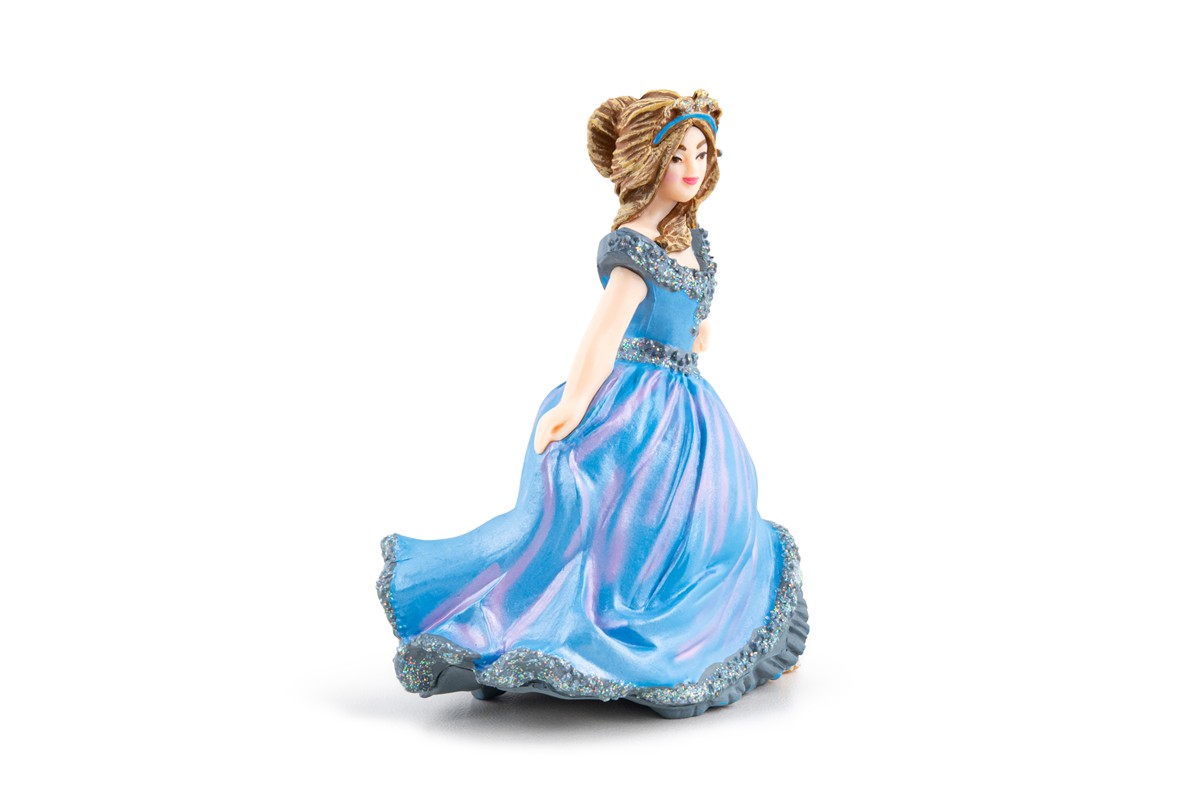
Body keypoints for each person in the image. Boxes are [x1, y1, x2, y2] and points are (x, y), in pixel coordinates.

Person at [377, 89, 810, 719]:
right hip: (637, 403)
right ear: (649, 162)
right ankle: (577, 628)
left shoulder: (689, 237)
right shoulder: (633, 246)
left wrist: (695, 332)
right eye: (677, 155)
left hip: (689, 403)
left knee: (716, 511)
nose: (691, 166)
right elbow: (602, 337)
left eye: (701, 153)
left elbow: (689, 313)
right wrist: (576, 400)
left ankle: (704, 616)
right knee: (618, 516)